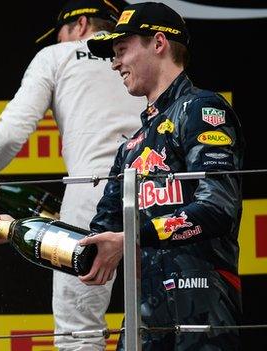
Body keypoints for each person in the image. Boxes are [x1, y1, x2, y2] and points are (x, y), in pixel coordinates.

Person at [0, 0, 145, 349]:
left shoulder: (56, 57)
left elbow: (13, 130)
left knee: (79, 330)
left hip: (92, 191)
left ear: (80, 24)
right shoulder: (140, 55)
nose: (58, 42)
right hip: (157, 190)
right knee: (160, 320)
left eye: (59, 35)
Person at [80, 2, 244, 349]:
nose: (114, 63)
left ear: (158, 43)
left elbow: (218, 207)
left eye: (122, 50)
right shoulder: (130, 148)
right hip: (144, 319)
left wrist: (132, 238)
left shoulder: (202, 109)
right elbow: (97, 241)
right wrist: (17, 226)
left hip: (202, 308)